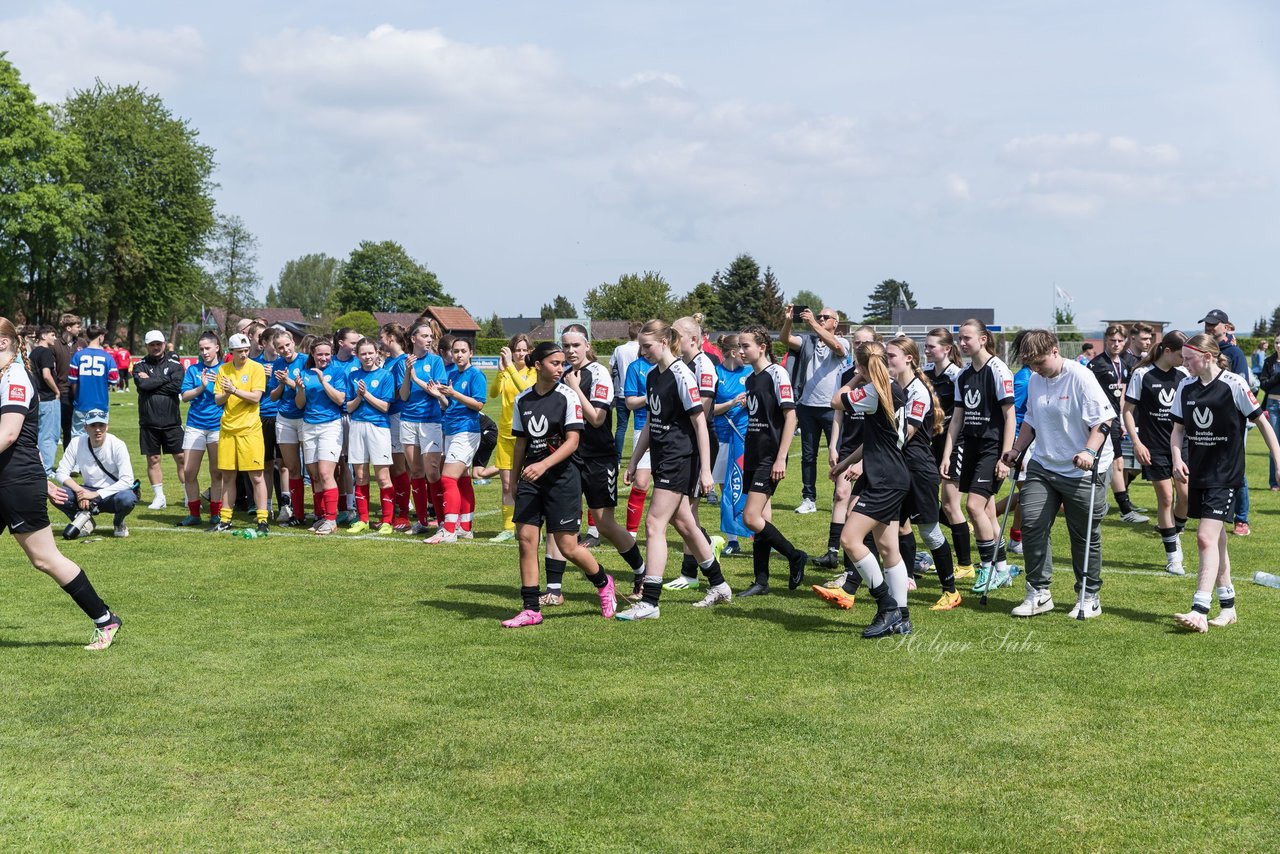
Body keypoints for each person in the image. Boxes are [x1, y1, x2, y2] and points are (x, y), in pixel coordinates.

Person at [0, 318, 122, 649]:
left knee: (44, 559)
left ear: (2, 343)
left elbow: (9, 434)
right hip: (8, 477)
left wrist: (39, 479)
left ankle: (105, 619)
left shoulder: (15, 378)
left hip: (16, 482)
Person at [617, 319, 732, 619]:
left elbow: (700, 424)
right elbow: (650, 425)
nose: (642, 352)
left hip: (681, 458)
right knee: (684, 523)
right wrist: (634, 459)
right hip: (664, 456)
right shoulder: (654, 375)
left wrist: (706, 470)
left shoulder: (682, 374)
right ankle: (719, 584)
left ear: (665, 342)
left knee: (654, 523)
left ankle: (650, 602)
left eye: (647, 346)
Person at [1003, 330, 1117, 619]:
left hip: (1084, 468)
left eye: (1039, 362)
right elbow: (1030, 419)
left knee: (1083, 534)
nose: (1036, 369)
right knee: (1031, 523)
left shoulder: (1080, 376)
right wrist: (1016, 450)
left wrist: (1089, 453)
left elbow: (1104, 421)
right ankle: (1038, 593)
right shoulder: (1036, 380)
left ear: (1055, 351)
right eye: (1031, 364)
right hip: (1044, 462)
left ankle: (1088, 595)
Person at [501, 342, 616, 628]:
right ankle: (530, 609)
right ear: (537, 365)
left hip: (563, 477)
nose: (560, 369)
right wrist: (514, 479)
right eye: (555, 363)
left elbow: (573, 442)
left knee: (567, 546)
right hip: (531, 477)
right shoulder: (523, 400)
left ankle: (603, 582)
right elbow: (520, 443)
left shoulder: (567, 396)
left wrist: (543, 465)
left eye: (563, 363)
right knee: (526, 539)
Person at [1171, 334, 1280, 632]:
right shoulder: (1185, 386)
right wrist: (1177, 458)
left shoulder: (1233, 384)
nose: (1184, 363)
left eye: (1188, 358)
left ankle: (1199, 609)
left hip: (1226, 475)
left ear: (1207, 356)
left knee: (1205, 537)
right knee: (1217, 540)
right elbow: (1177, 430)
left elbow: (1263, 423)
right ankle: (1228, 606)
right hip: (1199, 473)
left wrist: (1279, 460)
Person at [540, 327, 647, 603]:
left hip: (599, 458)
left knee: (604, 523)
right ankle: (553, 590)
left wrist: (575, 388)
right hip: (569, 459)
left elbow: (598, 418)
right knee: (558, 524)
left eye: (576, 344)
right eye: (566, 346)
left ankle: (641, 571)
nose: (571, 350)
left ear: (587, 345)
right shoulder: (560, 375)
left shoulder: (599, 373)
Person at [818, 341, 911, 637]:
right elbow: (876, 440)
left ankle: (887, 606)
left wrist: (857, 375)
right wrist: (844, 462)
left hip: (883, 478)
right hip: (892, 474)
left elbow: (835, 400)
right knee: (888, 548)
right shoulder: (892, 388)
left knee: (850, 538)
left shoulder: (873, 391)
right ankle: (903, 617)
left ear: (861, 365)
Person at [940, 319, 1017, 595]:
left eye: (966, 338)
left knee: (973, 506)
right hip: (970, 446)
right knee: (985, 511)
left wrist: (1005, 457)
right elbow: (957, 418)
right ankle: (1003, 570)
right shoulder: (962, 375)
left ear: (983, 339)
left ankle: (986, 569)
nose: (962, 343)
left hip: (991, 446)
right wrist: (948, 453)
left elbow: (1010, 416)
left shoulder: (998, 370)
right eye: (960, 338)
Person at [888, 335, 961, 610]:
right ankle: (897, 582)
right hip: (899, 468)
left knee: (929, 533)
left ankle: (951, 591)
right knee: (890, 527)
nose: (887, 361)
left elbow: (906, 433)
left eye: (891, 356)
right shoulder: (894, 387)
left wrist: (871, 456)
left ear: (908, 358)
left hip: (919, 471)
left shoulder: (917, 391)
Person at [736, 325, 808, 597]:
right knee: (763, 518)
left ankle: (794, 555)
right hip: (753, 453)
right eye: (740, 346)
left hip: (770, 457)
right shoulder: (750, 379)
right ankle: (761, 581)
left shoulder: (777, 373)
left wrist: (781, 458)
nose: (741, 351)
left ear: (762, 347)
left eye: (746, 346)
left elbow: (791, 416)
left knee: (751, 517)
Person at [814, 325, 880, 588]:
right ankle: (834, 552)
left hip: (871, 450)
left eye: (865, 342)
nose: (860, 346)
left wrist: (863, 461)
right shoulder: (847, 375)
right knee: (842, 495)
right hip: (848, 445)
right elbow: (838, 412)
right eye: (857, 342)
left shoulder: (880, 381)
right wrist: (833, 445)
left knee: (861, 509)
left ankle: (862, 568)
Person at [664, 314, 725, 590]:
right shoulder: (684, 364)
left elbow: (703, 408)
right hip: (686, 443)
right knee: (687, 512)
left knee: (688, 510)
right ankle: (696, 564)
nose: (672, 341)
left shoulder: (704, 366)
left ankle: (694, 570)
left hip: (701, 441)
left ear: (692, 339)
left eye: (676, 335)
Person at [1122, 330, 1190, 575]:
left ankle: (1176, 531)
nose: (1186, 360)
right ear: (1168, 351)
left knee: (1186, 496)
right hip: (1153, 447)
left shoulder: (1184, 375)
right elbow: (1127, 411)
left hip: (1181, 446)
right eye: (1182, 355)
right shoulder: (1142, 374)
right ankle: (1173, 556)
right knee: (1166, 498)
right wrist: (1137, 442)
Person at [781, 304, 850, 515]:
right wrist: (789, 320)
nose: (820, 319)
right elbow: (785, 339)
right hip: (807, 406)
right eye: (818, 316)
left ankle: (838, 496)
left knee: (837, 454)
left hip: (832, 408)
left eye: (825, 317)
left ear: (835, 323)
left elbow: (837, 348)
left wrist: (811, 322)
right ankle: (808, 498)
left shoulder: (843, 341)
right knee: (808, 456)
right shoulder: (808, 341)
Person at [923, 327, 974, 579]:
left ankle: (965, 564)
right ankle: (964, 530)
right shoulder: (925, 374)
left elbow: (960, 416)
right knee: (928, 502)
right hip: (931, 445)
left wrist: (948, 449)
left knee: (950, 504)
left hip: (954, 444)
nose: (927, 349)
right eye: (926, 345)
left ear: (947, 349)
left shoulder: (958, 376)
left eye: (932, 346)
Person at [427, 337, 487, 543]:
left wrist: (454, 393)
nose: (459, 355)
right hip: (450, 430)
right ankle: (465, 528)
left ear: (471, 353)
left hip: (467, 431)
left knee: (447, 479)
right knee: (462, 479)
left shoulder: (476, 375)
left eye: (463, 351)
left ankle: (449, 530)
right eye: (456, 351)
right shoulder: (452, 374)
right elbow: (448, 405)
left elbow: (478, 405)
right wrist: (439, 395)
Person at [1088, 324, 1148, 524]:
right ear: (1106, 340)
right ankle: (1123, 509)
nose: (1116, 344)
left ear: (1125, 342)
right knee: (1114, 464)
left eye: (1120, 341)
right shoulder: (1096, 365)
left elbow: (1121, 393)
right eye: (1112, 341)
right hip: (1101, 420)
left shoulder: (1123, 363)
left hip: (1114, 420)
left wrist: (1122, 419)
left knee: (1116, 464)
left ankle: (1114, 506)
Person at [1199, 309, 1251, 535]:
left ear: (1226, 326)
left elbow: (1240, 385)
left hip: (1231, 420)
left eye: (1214, 324)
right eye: (1207, 324)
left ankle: (1241, 518)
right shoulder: (1204, 349)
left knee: (1236, 467)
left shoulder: (1235, 353)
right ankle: (1211, 511)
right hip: (1206, 418)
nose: (1209, 327)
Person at [212, 333, 269, 533]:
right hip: (228, 429)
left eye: (246, 350)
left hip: (250, 430)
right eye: (239, 351)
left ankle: (263, 520)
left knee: (256, 476)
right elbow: (218, 400)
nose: (244, 354)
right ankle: (225, 519)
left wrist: (234, 390)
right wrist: (228, 392)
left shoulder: (256, 368)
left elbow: (255, 397)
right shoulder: (223, 370)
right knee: (227, 477)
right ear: (231, 352)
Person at [292, 338, 349, 535]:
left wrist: (323, 381)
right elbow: (300, 404)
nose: (323, 358)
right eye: (319, 354)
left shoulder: (337, 372)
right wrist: (299, 389)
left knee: (326, 473)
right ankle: (321, 516)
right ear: (313, 355)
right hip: (309, 425)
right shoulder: (305, 374)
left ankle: (332, 520)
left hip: (330, 426)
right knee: (314, 475)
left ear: (331, 354)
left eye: (327, 354)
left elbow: (340, 399)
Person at [398, 321, 450, 535]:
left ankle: (440, 521)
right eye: (425, 336)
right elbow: (403, 396)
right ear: (413, 339)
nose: (429, 340)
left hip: (430, 421)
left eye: (431, 336)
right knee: (417, 472)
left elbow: (436, 391)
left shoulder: (436, 361)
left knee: (433, 472)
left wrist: (416, 376)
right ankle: (421, 522)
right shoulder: (403, 362)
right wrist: (408, 373)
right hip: (408, 421)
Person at [54, 409, 136, 538]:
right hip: (86, 489)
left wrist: (95, 494)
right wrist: (80, 491)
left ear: (107, 427)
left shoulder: (118, 445)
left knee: (127, 498)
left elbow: (127, 480)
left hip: (112, 493)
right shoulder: (76, 442)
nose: (97, 429)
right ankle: (85, 522)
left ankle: (119, 522)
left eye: (101, 425)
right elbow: (61, 472)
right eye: (93, 425)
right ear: (85, 427)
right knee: (57, 494)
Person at [345, 337, 395, 533]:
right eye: (363, 353)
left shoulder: (385, 376)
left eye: (370, 353)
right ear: (357, 355)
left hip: (378, 428)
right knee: (360, 475)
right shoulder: (353, 376)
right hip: (357, 425)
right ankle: (363, 519)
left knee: (383, 477)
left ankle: (387, 521)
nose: (367, 357)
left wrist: (366, 395)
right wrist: (358, 396)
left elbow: (385, 407)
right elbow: (349, 407)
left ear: (377, 354)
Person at [133, 329, 185, 510]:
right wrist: (164, 380)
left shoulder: (175, 364)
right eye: (152, 344)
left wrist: (153, 382)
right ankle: (159, 497)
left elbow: (177, 386)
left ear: (164, 344)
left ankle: (188, 494)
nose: (155, 347)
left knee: (181, 458)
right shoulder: (139, 365)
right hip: (149, 422)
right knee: (153, 459)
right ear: (146, 346)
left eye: (158, 344)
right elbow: (142, 385)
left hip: (172, 421)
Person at [177, 332, 226, 526]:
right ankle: (194, 513)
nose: (204, 352)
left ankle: (216, 513)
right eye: (201, 349)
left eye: (208, 348)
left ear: (217, 348)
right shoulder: (193, 370)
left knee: (217, 472)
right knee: (189, 471)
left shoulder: (225, 369)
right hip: (195, 425)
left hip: (218, 426)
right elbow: (185, 396)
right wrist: (201, 387)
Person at [710, 333, 751, 555]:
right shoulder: (716, 373)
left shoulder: (750, 372)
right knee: (726, 486)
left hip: (743, 436)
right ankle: (732, 538)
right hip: (721, 437)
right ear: (733, 352)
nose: (745, 354)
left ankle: (756, 532)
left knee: (745, 485)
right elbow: (708, 409)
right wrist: (732, 402)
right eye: (742, 349)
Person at [492, 333, 535, 542]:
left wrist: (509, 367)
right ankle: (508, 528)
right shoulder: (506, 371)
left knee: (529, 484)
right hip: (505, 434)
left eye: (525, 350)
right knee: (507, 484)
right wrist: (501, 373)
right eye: (517, 349)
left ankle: (532, 527)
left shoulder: (534, 371)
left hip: (527, 436)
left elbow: (526, 390)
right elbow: (493, 394)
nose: (521, 353)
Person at [270, 329, 310, 527]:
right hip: (284, 418)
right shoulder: (277, 364)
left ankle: (320, 512)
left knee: (311, 468)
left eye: (287, 345)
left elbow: (310, 390)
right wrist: (280, 384)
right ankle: (297, 512)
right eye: (280, 348)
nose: (284, 350)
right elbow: (273, 396)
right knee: (292, 468)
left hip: (306, 418)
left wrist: (289, 382)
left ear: (293, 342)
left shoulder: (305, 360)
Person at [379, 324, 414, 529]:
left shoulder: (401, 361)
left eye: (381, 336)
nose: (379, 340)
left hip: (398, 416)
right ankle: (398, 509)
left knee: (400, 467)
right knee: (396, 466)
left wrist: (377, 395)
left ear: (391, 338)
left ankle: (403, 512)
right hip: (390, 416)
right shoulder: (390, 361)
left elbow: (401, 392)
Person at [621, 344, 655, 540]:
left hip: (667, 430)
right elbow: (630, 402)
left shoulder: (668, 365)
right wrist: (650, 397)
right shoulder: (636, 367)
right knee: (641, 483)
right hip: (642, 427)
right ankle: (631, 534)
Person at [68, 325, 119, 439]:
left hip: (81, 403)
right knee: (98, 440)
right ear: (100, 337)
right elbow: (113, 380)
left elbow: (73, 381)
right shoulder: (108, 357)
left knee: (77, 439)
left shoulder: (78, 356)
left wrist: (78, 397)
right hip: (100, 403)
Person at [29, 326, 60, 476]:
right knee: (49, 435)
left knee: (38, 434)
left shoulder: (33, 353)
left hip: (37, 399)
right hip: (48, 398)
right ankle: (46, 469)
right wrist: (56, 390)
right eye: (52, 335)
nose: (54, 338)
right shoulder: (46, 352)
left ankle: (37, 466)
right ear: (43, 336)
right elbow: (46, 375)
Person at [609, 322, 642, 460]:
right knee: (639, 426)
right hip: (639, 393)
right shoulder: (642, 348)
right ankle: (639, 456)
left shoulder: (619, 349)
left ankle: (617, 458)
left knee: (620, 428)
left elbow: (612, 369)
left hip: (622, 392)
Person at [52, 313, 81, 448]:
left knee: (82, 427)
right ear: (68, 328)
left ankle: (83, 461)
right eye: (77, 326)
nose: (80, 329)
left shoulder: (82, 343)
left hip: (81, 391)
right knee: (67, 427)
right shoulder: (55, 344)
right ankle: (69, 462)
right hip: (62, 391)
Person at [1257, 333, 1280, 491]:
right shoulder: (1269, 362)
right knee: (1274, 445)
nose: (1279, 345)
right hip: (1272, 405)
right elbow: (1263, 385)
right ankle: (1275, 482)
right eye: (1277, 342)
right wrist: (1278, 377)